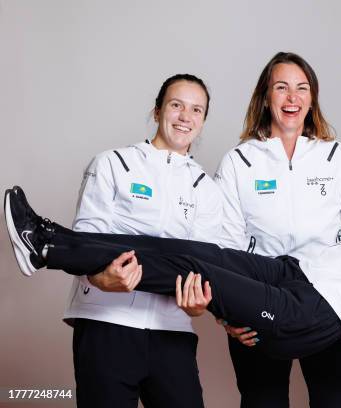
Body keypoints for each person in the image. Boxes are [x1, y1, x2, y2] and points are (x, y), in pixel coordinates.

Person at [5, 158, 341, 362]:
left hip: (321, 313)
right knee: (196, 251)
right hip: (300, 273)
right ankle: (52, 239)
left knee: (195, 273)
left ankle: (49, 251)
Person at [46, 74, 221, 408]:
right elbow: (87, 240)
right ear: (157, 111)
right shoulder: (113, 164)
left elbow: (202, 268)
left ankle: (44, 244)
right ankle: (43, 244)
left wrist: (198, 306)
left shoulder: (207, 190)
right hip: (106, 324)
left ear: (203, 120)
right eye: (176, 105)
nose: (186, 117)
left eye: (196, 110)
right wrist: (100, 278)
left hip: (172, 331)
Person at [213, 51, 341, 407]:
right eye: (281, 87)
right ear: (265, 97)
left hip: (328, 298)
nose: (292, 97)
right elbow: (225, 244)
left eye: (302, 88)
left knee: (338, 400)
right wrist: (227, 312)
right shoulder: (239, 161)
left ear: (312, 98)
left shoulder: (337, 157)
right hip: (260, 294)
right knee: (262, 400)